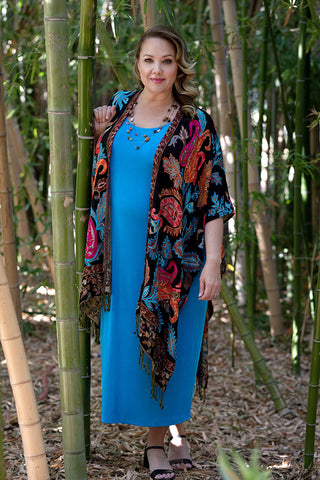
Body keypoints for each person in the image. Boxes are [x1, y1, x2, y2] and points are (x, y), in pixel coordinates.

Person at [79, 25, 234, 480]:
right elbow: (102, 170)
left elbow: (214, 198)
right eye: (149, 60)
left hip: (173, 260)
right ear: (138, 63)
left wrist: (212, 261)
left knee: (176, 341)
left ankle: (156, 445)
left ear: (178, 65)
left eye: (166, 61)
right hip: (121, 255)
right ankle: (174, 429)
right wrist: (101, 131)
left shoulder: (194, 123)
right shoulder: (119, 109)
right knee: (134, 343)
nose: (157, 69)